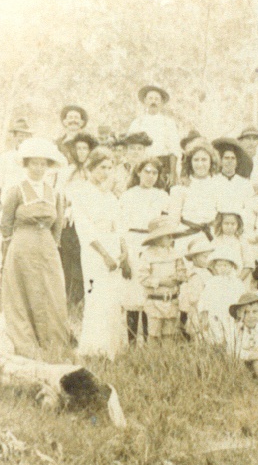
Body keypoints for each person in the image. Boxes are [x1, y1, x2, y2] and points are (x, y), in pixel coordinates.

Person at [0, 137, 70, 360]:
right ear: (26, 165)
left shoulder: (55, 192)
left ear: (48, 167)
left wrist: (52, 245)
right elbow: (6, 222)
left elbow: (58, 225)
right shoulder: (16, 190)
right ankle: (27, 344)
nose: (39, 169)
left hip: (47, 248)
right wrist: (14, 245)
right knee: (24, 291)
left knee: (51, 291)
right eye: (34, 164)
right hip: (23, 246)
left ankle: (51, 343)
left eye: (43, 164)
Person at [72, 147, 127, 358]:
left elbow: (120, 225)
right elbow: (85, 229)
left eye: (110, 167)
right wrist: (105, 255)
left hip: (113, 248)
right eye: (102, 167)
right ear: (92, 168)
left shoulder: (110, 196)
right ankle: (94, 348)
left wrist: (123, 252)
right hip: (95, 251)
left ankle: (112, 349)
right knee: (97, 296)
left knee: (113, 298)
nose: (106, 172)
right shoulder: (83, 193)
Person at [118, 158, 170, 345]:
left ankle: (150, 341)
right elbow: (121, 226)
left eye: (154, 173)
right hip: (133, 243)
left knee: (149, 291)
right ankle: (132, 341)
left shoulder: (163, 196)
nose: (150, 176)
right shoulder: (128, 195)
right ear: (138, 172)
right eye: (146, 171)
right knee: (133, 292)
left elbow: (165, 223)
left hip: (152, 243)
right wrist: (124, 255)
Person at [59, 131, 98, 314]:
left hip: (90, 220)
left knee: (88, 260)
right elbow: (60, 195)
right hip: (70, 221)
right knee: (69, 260)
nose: (82, 152)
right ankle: (70, 300)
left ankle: (88, 299)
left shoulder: (93, 171)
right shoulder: (66, 171)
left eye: (85, 148)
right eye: (78, 148)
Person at [139, 217, 188, 343]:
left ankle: (168, 359)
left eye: (171, 236)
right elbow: (143, 278)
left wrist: (178, 278)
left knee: (169, 334)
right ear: (157, 238)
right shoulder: (147, 255)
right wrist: (161, 281)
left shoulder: (175, 254)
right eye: (167, 236)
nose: (171, 239)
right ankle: (153, 359)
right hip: (155, 300)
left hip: (171, 299)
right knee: (154, 334)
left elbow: (182, 271)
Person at [127, 85, 180, 189]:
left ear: (161, 103)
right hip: (141, 165)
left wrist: (173, 173)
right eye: (150, 98)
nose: (153, 102)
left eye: (157, 99)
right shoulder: (137, 123)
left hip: (163, 165)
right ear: (145, 101)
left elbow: (174, 150)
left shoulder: (168, 123)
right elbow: (130, 147)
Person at [168, 138, 220, 242]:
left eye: (204, 160)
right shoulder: (179, 189)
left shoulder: (219, 186)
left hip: (212, 238)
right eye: (196, 160)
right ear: (189, 162)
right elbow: (173, 221)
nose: (200, 164)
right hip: (186, 238)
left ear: (211, 161)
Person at [198, 247, 247, 344]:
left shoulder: (237, 283)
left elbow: (241, 298)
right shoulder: (211, 282)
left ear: (232, 266)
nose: (222, 268)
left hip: (231, 315)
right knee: (216, 337)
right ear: (215, 267)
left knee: (233, 337)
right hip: (216, 314)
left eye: (225, 265)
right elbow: (205, 299)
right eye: (219, 266)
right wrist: (205, 314)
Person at [179, 234, 215, 338]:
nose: (208, 259)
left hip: (205, 308)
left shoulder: (206, 271)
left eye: (209, 256)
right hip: (197, 309)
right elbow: (194, 297)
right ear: (194, 257)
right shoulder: (195, 274)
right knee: (197, 332)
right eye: (205, 257)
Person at [0, 119, 33, 201]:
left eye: (27, 136)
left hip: (29, 202)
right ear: (14, 137)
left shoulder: (35, 158)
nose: (23, 139)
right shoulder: (5, 157)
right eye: (21, 135)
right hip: (9, 200)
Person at [212, 207, 253, 281]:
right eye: (226, 223)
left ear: (238, 225)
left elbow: (249, 265)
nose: (229, 227)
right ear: (220, 224)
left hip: (239, 278)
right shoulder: (216, 241)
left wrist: (237, 281)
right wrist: (218, 279)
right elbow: (211, 264)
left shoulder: (242, 242)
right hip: (219, 279)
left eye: (233, 224)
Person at [212, 138, 254, 207]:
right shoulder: (213, 181)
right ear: (220, 162)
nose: (230, 161)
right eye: (226, 158)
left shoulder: (245, 184)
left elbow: (249, 208)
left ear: (237, 163)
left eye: (233, 158)